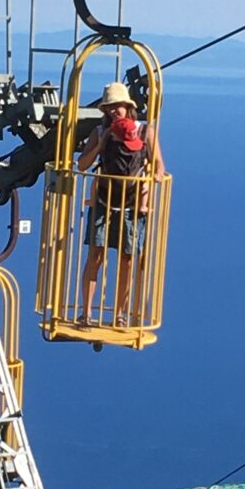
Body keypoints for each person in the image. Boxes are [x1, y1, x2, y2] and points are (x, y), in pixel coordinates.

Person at [78, 81, 165, 327]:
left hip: (132, 206)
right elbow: (82, 165)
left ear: (128, 106)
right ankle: (87, 312)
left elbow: (159, 163)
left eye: (118, 105)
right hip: (104, 201)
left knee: (127, 259)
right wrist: (101, 144)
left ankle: (120, 314)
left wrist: (155, 177)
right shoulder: (99, 132)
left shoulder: (145, 131)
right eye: (109, 107)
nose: (114, 110)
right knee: (95, 256)